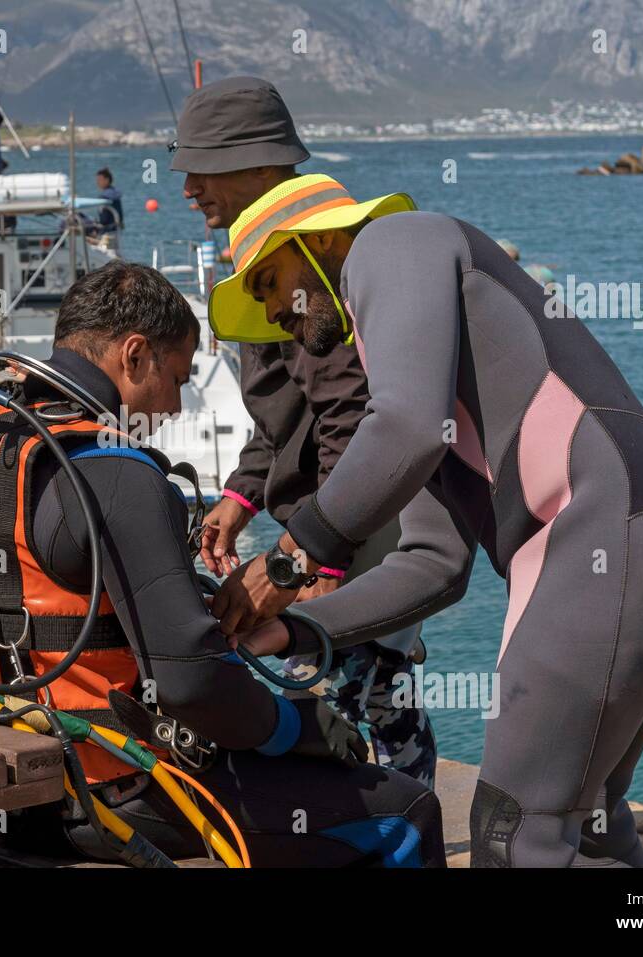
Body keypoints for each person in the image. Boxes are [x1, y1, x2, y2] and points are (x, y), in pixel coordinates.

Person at [206, 169, 643, 868]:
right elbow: (433, 566)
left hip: (606, 538)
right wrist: (298, 626)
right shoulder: (429, 382)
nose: (271, 314)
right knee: (590, 824)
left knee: (517, 834)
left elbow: (406, 429)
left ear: (322, 238)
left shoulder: (391, 242)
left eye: (268, 282)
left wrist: (287, 563)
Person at [0, 260, 446, 867]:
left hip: (6, 783)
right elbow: (192, 685)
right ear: (134, 355)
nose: (173, 406)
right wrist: (307, 728)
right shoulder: (115, 473)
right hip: (115, 792)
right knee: (407, 814)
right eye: (175, 378)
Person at [170, 75, 434, 784]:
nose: (190, 186)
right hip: (329, 529)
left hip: (350, 530)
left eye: (204, 167)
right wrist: (240, 495)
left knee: (350, 704)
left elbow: (354, 418)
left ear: (261, 166)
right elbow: (283, 414)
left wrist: (323, 565)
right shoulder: (267, 262)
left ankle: (397, 828)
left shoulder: (310, 258)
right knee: (372, 696)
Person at [93, 167, 123, 234]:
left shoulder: (104, 197)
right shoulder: (116, 193)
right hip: (116, 229)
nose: (97, 182)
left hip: (107, 230)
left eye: (100, 180)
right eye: (97, 180)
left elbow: (104, 220)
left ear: (107, 180)